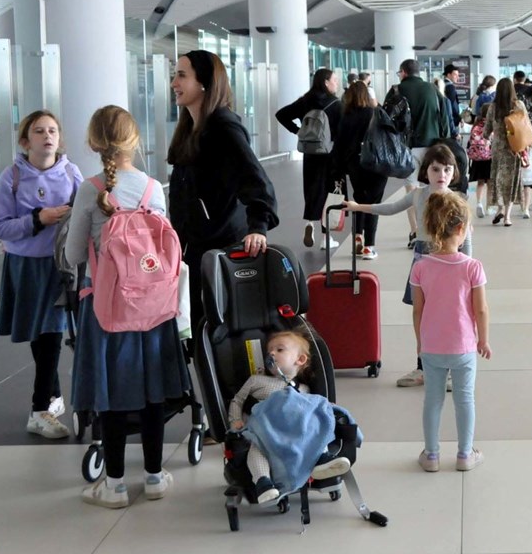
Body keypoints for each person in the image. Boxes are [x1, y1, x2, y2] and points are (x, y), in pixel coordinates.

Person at [68, 105, 192, 508]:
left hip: (108, 311)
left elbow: (73, 256)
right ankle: (154, 476)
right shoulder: (154, 188)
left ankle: (115, 484)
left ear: (93, 143)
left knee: (114, 396)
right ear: (134, 141)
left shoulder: (90, 188)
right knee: (153, 390)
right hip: (154, 309)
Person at [169, 50, 279, 341]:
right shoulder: (190, 128)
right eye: (175, 75)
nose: (174, 83)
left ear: (204, 82)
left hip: (220, 244)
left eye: (182, 75)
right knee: (193, 328)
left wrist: (259, 226)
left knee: (217, 329)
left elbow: (256, 178)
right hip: (193, 246)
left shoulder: (223, 126)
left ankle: (230, 385)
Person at [0, 110, 83, 440]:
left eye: (53, 130)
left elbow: (86, 214)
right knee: (39, 335)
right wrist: (38, 219)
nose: (48, 136)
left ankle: (40, 407)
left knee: (52, 335)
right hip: (25, 267)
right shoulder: (11, 177)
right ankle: (49, 399)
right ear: (26, 140)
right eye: (40, 131)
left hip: (60, 266)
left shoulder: (72, 174)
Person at [343, 144, 470, 388]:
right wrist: (359, 207)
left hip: (451, 261)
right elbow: (390, 208)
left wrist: (466, 269)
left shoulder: (457, 201)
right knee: (422, 315)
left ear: (454, 172)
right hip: (423, 258)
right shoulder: (418, 195)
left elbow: (467, 237)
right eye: (435, 169)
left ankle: (452, 368)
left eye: (447, 169)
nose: (441, 175)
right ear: (426, 171)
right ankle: (424, 366)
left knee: (451, 315)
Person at [410, 190, 491, 472]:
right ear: (461, 229)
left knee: (432, 400)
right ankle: (464, 454)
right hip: (464, 347)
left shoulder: (421, 267)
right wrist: (484, 340)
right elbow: (480, 310)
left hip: (431, 347)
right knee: (464, 399)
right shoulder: (472, 267)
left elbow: (417, 310)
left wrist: (420, 342)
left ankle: (431, 456)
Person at [228, 322, 350, 504]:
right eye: (269, 351)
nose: (271, 353)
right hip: (267, 428)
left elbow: (310, 411)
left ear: (299, 360)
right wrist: (236, 419)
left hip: (296, 430)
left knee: (317, 428)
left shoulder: (304, 389)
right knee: (256, 446)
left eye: (279, 350)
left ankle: (321, 459)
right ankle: (263, 482)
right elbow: (237, 400)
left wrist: (325, 406)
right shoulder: (257, 381)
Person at [278, 68, 343, 251]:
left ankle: (309, 223)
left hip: (310, 152)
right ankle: (326, 238)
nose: (336, 83)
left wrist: (297, 131)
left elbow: (281, 114)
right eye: (334, 80)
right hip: (329, 155)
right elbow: (341, 132)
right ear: (325, 82)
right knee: (330, 194)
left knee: (312, 189)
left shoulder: (305, 100)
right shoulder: (335, 104)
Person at [395, 58, 451, 248]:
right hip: (432, 147)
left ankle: (415, 231)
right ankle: (436, 229)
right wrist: (444, 140)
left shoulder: (397, 90)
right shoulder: (432, 89)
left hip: (407, 148)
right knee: (435, 188)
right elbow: (444, 115)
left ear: (403, 72)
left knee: (411, 190)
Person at [331, 80, 387, 260]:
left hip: (354, 166)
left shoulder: (346, 116)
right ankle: (369, 247)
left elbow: (338, 144)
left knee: (359, 199)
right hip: (375, 165)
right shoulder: (374, 113)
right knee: (374, 204)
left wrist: (337, 168)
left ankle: (357, 236)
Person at [485, 78, 526, 226]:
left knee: (498, 179)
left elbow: (486, 131)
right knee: (512, 180)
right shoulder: (519, 105)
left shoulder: (493, 107)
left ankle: (500, 208)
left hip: (498, 148)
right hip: (514, 148)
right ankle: (507, 216)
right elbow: (525, 126)